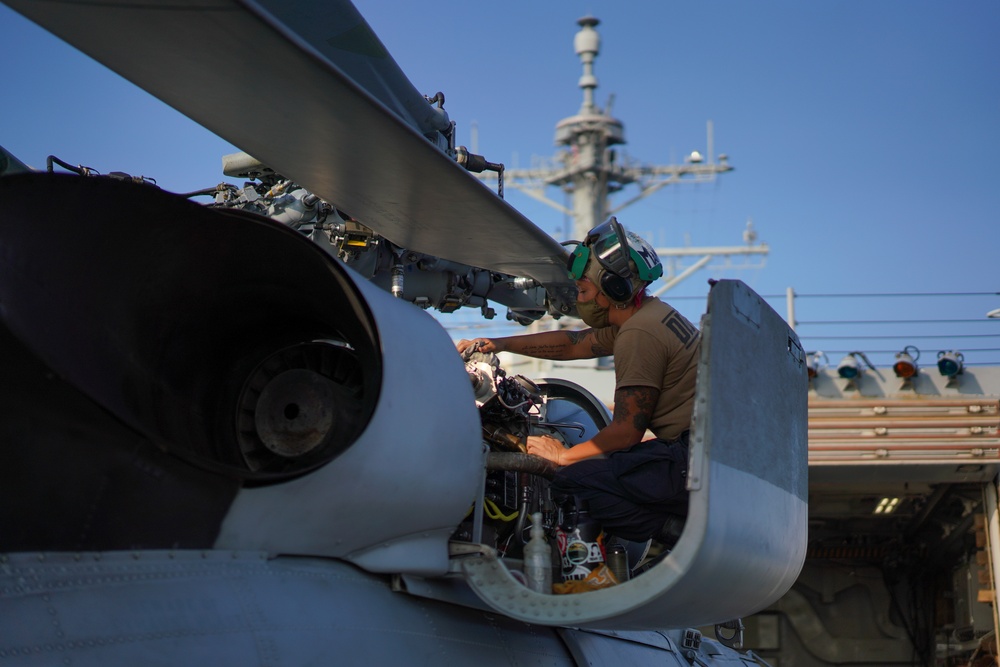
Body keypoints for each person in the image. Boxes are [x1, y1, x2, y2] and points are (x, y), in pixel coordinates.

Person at [456, 217, 700, 546]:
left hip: (690, 462)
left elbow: (627, 432)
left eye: (584, 290)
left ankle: (681, 534)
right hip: (698, 456)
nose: (579, 298)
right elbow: (575, 343)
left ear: (614, 290)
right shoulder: (648, 314)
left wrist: (561, 457)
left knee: (576, 481)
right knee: (601, 471)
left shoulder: (639, 335)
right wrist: (500, 344)